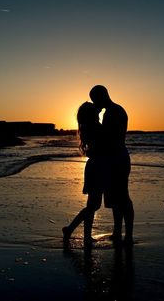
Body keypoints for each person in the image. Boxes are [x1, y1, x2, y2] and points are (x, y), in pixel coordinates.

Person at [89, 85, 134, 245]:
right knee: (117, 198)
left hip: (118, 158)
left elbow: (107, 137)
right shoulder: (113, 111)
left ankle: (128, 235)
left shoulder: (114, 112)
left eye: (95, 100)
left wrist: (95, 119)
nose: (94, 103)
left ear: (102, 96)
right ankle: (117, 231)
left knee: (123, 197)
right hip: (116, 157)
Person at [62, 101, 107, 246]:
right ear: (91, 114)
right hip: (97, 167)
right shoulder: (94, 127)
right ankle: (70, 229)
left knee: (92, 205)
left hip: (94, 166)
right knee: (93, 205)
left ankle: (84, 235)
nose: (98, 111)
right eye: (95, 110)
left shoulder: (87, 126)